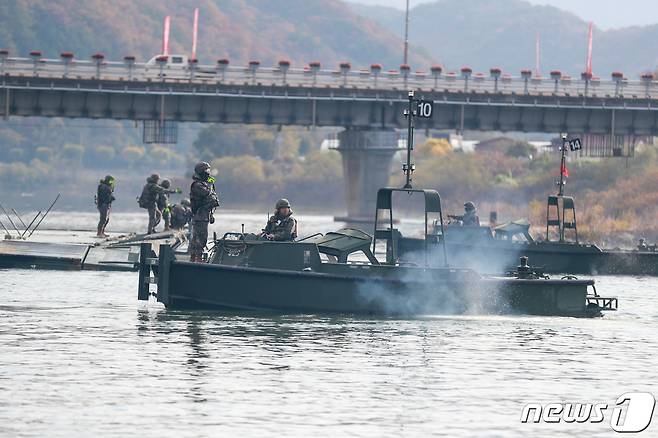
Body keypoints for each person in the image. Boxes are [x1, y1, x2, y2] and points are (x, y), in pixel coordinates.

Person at [189, 162, 220, 262]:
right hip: (200, 215)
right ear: (201, 171)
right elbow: (209, 195)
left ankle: (194, 258)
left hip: (203, 215)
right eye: (206, 171)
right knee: (201, 238)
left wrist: (210, 183)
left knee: (198, 238)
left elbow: (213, 195)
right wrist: (210, 185)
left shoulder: (205, 183)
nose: (208, 173)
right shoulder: (197, 185)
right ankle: (197, 259)